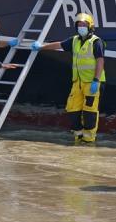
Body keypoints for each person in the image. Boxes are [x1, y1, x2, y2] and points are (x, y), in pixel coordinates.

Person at [31, 13, 106, 144]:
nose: (81, 27)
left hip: (92, 82)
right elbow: (59, 45)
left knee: (90, 113)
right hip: (78, 82)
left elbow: (100, 61)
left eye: (83, 25)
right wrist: (41, 47)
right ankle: (78, 138)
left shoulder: (96, 42)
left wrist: (96, 80)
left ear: (90, 26)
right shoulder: (75, 40)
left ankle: (88, 141)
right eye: (79, 25)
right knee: (72, 110)